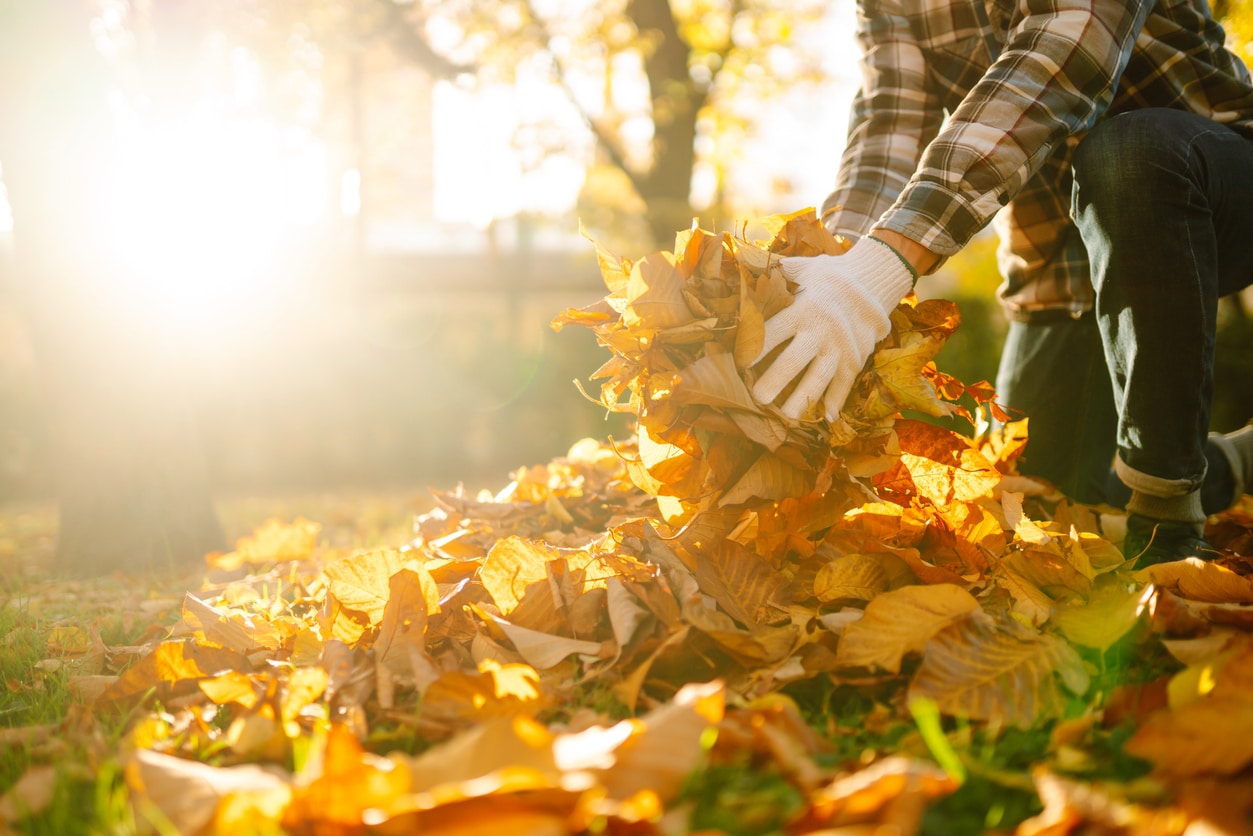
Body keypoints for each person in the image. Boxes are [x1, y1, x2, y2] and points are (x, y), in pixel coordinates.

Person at [751, 0, 1253, 565]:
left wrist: (886, 265)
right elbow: (887, 129)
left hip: (1216, 186)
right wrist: (834, 271)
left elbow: (1065, 51)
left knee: (1129, 152)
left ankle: (1169, 516)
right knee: (1043, 500)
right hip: (1061, 272)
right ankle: (1232, 464)